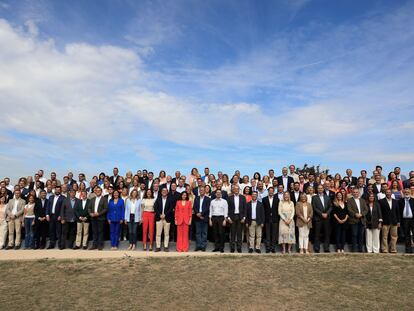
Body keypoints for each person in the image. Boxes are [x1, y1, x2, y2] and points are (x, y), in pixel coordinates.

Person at [312, 184, 332, 253]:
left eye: (321, 188)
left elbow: (330, 207)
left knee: (327, 234)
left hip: (327, 218)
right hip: (318, 218)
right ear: (317, 189)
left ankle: (326, 248)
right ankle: (317, 248)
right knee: (317, 234)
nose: (320, 189)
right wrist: (321, 214)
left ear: (323, 189)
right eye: (319, 188)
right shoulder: (314, 197)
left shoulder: (327, 197)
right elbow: (314, 208)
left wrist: (327, 213)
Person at [227, 185, 247, 253]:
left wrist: (244, 218)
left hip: (240, 217)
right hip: (232, 217)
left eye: (237, 189)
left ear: (239, 190)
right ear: (233, 190)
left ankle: (239, 247)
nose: (236, 190)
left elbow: (245, 208)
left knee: (239, 233)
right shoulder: (229, 198)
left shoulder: (243, 197)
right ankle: (232, 248)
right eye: (234, 189)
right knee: (232, 233)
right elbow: (228, 208)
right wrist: (228, 217)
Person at [379, 189, 400, 253]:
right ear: (385, 193)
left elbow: (398, 212)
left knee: (394, 236)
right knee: (384, 236)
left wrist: (398, 221)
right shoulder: (381, 201)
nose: (388, 193)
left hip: (394, 221)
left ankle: (393, 249)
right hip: (385, 222)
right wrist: (380, 221)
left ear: (391, 193)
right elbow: (380, 212)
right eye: (387, 192)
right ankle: (384, 249)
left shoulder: (395, 201)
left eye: (389, 192)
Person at [154, 187, 174, 252]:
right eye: (163, 190)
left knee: (166, 233)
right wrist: (160, 215)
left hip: (167, 218)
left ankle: (166, 247)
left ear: (167, 192)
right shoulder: (158, 199)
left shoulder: (170, 200)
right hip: (159, 218)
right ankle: (158, 247)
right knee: (158, 233)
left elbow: (171, 209)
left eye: (165, 191)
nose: (164, 192)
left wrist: (165, 215)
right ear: (161, 192)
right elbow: (155, 208)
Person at [347, 188, 368, 252]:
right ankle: (353, 249)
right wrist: (355, 214)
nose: (355, 193)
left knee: (361, 235)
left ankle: (360, 249)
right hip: (354, 220)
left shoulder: (362, 200)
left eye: (357, 192)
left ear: (359, 193)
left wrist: (361, 214)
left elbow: (366, 209)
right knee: (354, 235)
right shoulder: (350, 200)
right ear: (352, 193)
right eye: (354, 192)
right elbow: (349, 209)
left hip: (362, 220)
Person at [193, 186, 210, 251]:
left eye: (202, 190)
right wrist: (197, 213)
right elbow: (194, 207)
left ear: (205, 191)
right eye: (200, 190)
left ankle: (203, 246)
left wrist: (201, 214)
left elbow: (207, 208)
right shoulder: (196, 198)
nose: (201, 191)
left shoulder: (208, 199)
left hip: (204, 218)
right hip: (197, 217)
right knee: (198, 232)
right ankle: (198, 246)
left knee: (204, 233)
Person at [263, 187, 279, 253]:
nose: (271, 192)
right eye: (270, 191)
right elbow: (263, 210)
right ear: (268, 191)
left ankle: (273, 248)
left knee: (274, 234)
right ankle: (268, 248)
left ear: (274, 192)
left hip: (275, 219)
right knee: (267, 234)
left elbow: (278, 210)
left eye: (272, 191)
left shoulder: (277, 199)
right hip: (267, 219)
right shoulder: (264, 199)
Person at [399, 188, 414, 253]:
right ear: (403, 193)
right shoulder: (400, 201)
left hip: (413, 220)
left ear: (410, 193)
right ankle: (408, 250)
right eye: (405, 192)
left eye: (408, 192)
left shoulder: (413, 200)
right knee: (406, 235)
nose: (407, 193)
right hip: (404, 220)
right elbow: (399, 212)